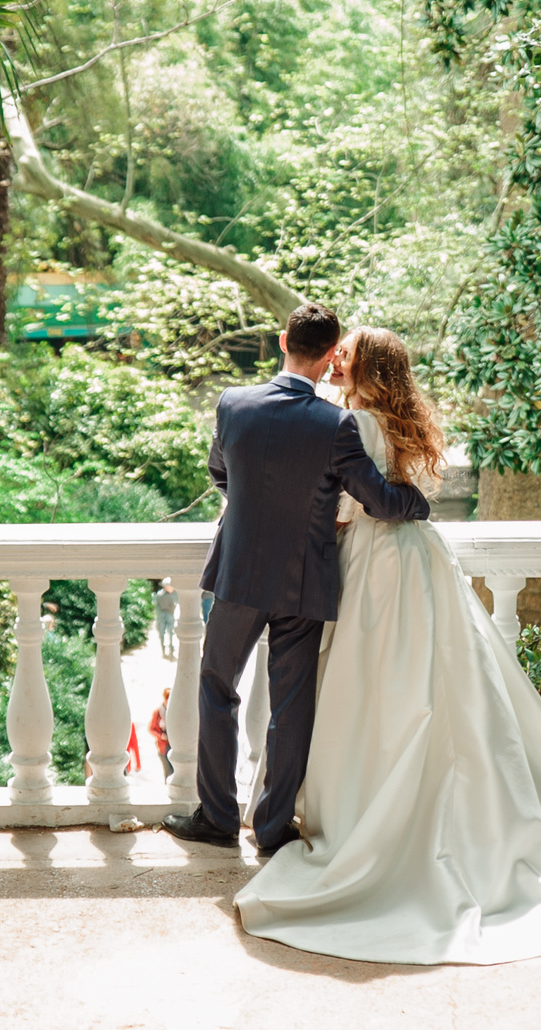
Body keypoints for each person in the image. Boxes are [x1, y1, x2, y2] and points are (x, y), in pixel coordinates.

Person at [232, 327, 541, 964]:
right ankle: (457, 811)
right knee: (438, 680)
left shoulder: (351, 423)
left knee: (375, 682)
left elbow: (357, 505)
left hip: (372, 564)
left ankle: (363, 814)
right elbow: (400, 497)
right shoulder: (400, 419)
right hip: (419, 559)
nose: (335, 360)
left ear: (365, 367)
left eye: (346, 355)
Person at [162, 302, 430, 857]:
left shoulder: (233, 403)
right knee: (291, 705)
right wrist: (418, 502)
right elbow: (381, 502)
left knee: (216, 687)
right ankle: (271, 827)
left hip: (239, 571)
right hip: (304, 577)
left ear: (284, 341)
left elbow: (221, 474)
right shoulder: (336, 424)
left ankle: (216, 818)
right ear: (331, 355)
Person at [149, 688, 171, 779]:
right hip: (164, 745)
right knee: (168, 771)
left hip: (174, 743)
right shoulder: (158, 712)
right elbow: (151, 729)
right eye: (167, 699)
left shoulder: (174, 711)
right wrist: (160, 736)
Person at [153, 579, 178, 657]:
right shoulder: (160, 594)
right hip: (162, 615)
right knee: (162, 632)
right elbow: (157, 605)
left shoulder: (174, 594)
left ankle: (171, 648)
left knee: (171, 632)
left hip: (169, 614)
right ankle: (164, 649)